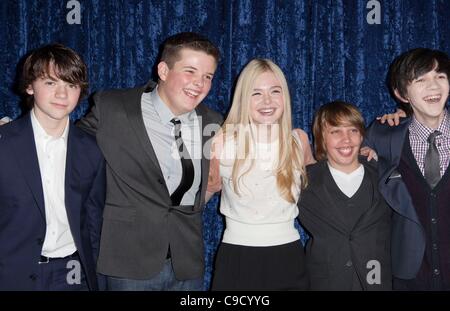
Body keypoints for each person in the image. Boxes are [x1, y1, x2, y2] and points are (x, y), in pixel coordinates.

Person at [77, 32, 223, 291]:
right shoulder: (113, 107)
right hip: (128, 265)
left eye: (208, 76)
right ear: (164, 70)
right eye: (190, 71)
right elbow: (68, 146)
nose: (199, 84)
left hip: (186, 266)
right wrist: (18, 133)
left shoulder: (213, 122)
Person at [0, 44, 106, 290]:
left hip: (72, 275)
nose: (62, 94)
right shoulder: (4, 143)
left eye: (71, 85)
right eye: (50, 83)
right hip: (10, 274)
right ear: (29, 86)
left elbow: (94, 222)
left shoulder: (92, 149)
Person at [206, 59, 314, 290]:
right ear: (244, 99)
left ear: (284, 96)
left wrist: (367, 152)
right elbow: (201, 194)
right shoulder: (221, 142)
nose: (267, 101)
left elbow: (325, 182)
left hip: (289, 257)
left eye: (275, 91)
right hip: (236, 257)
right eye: (256, 93)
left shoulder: (299, 140)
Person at [366, 48, 450, 290]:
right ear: (402, 93)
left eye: (440, 77)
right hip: (409, 276)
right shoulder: (382, 134)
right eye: (421, 80)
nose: (433, 86)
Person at [298, 101, 392, 291]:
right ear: (322, 138)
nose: (346, 139)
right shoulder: (303, 181)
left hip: (376, 282)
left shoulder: (385, 176)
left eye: (353, 131)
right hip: (324, 283)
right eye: (336, 132)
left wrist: (402, 113)